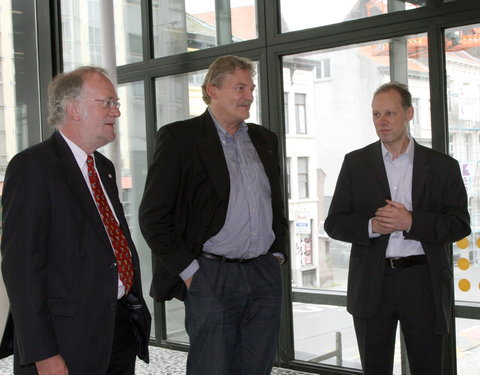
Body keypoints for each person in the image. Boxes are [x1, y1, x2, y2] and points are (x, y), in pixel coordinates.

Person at [139, 55, 288, 375]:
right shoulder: (181, 138)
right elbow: (153, 217)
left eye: (251, 87)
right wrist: (191, 272)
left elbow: (275, 205)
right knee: (213, 367)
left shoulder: (265, 140)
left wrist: (276, 255)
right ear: (213, 89)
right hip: (212, 273)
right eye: (239, 87)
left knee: (257, 366)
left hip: (263, 272)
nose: (249, 95)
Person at [0, 66, 151, 374]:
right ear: (73, 109)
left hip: (117, 330)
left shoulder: (104, 168)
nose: (117, 112)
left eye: (116, 103)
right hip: (66, 341)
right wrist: (43, 353)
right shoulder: (33, 167)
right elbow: (21, 269)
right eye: (107, 102)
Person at [324, 82, 470, 374]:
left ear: (409, 113)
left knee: (428, 367)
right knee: (375, 368)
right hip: (372, 283)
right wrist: (371, 226)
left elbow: (460, 224)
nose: (382, 121)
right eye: (376, 114)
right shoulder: (355, 163)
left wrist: (412, 222)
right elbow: (334, 222)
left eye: (390, 113)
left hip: (422, 282)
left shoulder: (443, 166)